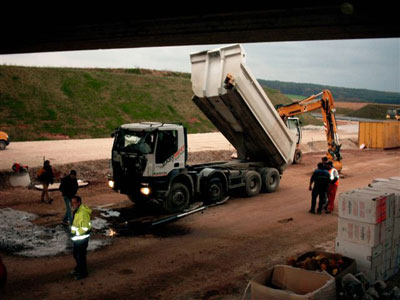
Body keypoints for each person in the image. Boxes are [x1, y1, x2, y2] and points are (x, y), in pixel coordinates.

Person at [70, 195, 92, 280]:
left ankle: (83, 273)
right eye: (72, 203)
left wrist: (75, 233)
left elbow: (84, 228)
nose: (73, 204)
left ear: (79, 203)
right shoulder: (77, 211)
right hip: (78, 238)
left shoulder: (82, 213)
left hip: (81, 238)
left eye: (74, 202)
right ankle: (79, 269)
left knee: (80, 256)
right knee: (76, 254)